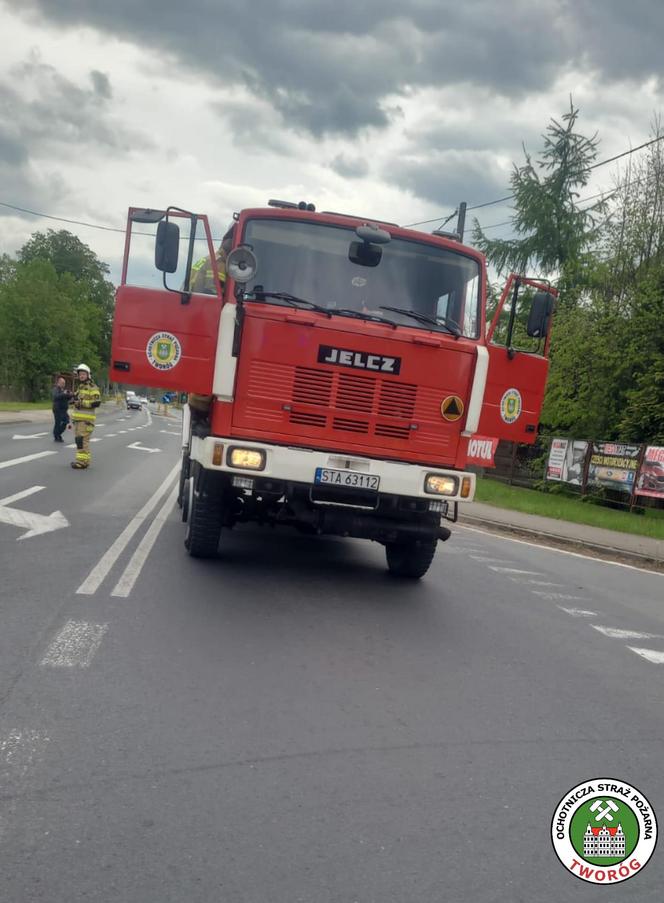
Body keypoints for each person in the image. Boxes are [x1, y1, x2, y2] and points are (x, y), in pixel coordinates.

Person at [70, 364, 101, 469]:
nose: (81, 376)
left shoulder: (92, 387)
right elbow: (76, 399)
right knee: (80, 441)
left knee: (83, 441)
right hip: (79, 420)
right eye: (80, 374)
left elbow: (97, 402)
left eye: (83, 374)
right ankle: (83, 461)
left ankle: (82, 462)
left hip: (86, 420)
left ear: (88, 375)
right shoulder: (80, 387)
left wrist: (82, 403)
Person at [51, 376, 71, 443]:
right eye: (62, 383)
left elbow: (67, 398)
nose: (63, 384)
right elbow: (56, 397)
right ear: (58, 383)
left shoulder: (63, 390)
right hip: (57, 409)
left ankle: (57, 434)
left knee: (66, 421)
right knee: (58, 423)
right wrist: (64, 394)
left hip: (63, 410)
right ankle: (57, 436)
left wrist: (69, 395)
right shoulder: (56, 389)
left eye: (64, 383)